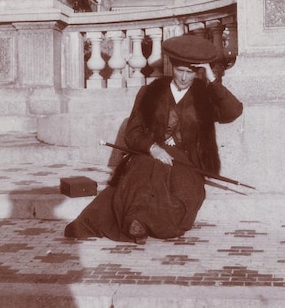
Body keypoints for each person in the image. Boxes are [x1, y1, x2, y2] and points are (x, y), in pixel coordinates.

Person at [65, 33, 243, 244]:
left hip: (186, 164)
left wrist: (212, 78)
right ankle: (136, 223)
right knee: (144, 173)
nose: (184, 77)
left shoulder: (204, 95)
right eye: (180, 70)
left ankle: (145, 222)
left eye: (190, 72)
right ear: (171, 66)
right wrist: (152, 148)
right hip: (150, 156)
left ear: (198, 72)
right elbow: (132, 133)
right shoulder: (151, 92)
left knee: (179, 194)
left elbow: (233, 111)